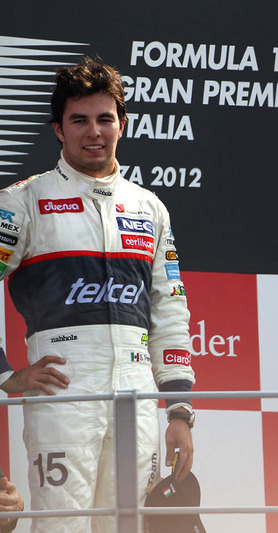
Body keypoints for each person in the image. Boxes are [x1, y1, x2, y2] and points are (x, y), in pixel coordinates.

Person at [0, 56, 196, 532]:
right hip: (63, 389)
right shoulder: (23, 201)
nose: (94, 132)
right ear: (57, 129)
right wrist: (6, 375)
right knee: (60, 526)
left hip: (137, 391)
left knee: (127, 527)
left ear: (122, 124)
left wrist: (180, 411)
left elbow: (169, 308)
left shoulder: (148, 207)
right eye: (79, 120)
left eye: (105, 118)